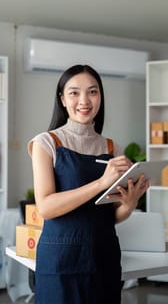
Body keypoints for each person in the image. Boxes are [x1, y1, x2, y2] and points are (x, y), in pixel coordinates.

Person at [28, 64, 150, 304]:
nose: (84, 100)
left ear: (100, 97)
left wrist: (129, 203)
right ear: (62, 99)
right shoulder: (46, 143)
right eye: (74, 92)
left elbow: (110, 215)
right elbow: (46, 207)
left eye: (92, 92)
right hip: (61, 260)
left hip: (104, 256)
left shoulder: (113, 148)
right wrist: (101, 182)